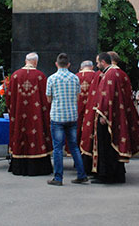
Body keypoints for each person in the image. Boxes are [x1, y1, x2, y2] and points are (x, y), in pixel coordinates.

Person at [86, 52, 139, 184]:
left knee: (106, 146)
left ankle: (106, 175)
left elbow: (107, 96)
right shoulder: (120, 73)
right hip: (118, 115)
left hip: (107, 117)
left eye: (98, 62)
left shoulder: (109, 74)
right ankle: (117, 174)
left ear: (104, 62)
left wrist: (103, 114)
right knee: (114, 144)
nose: (97, 65)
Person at [6, 52, 53, 176]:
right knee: (36, 136)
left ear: (25, 60)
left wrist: (12, 110)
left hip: (19, 113)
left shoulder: (15, 76)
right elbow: (46, 99)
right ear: (36, 62)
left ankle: (18, 166)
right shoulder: (40, 76)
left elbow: (9, 97)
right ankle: (38, 166)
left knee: (19, 134)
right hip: (36, 116)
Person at [45, 53, 88, 186]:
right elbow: (77, 96)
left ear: (56, 64)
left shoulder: (52, 78)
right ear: (69, 64)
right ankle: (81, 174)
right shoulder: (75, 78)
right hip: (71, 116)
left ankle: (58, 178)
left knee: (58, 148)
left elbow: (48, 98)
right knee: (74, 146)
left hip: (57, 116)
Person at [78, 60, 100, 175]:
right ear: (91, 67)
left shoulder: (76, 77)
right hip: (92, 111)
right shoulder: (97, 76)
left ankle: (78, 160)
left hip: (78, 110)